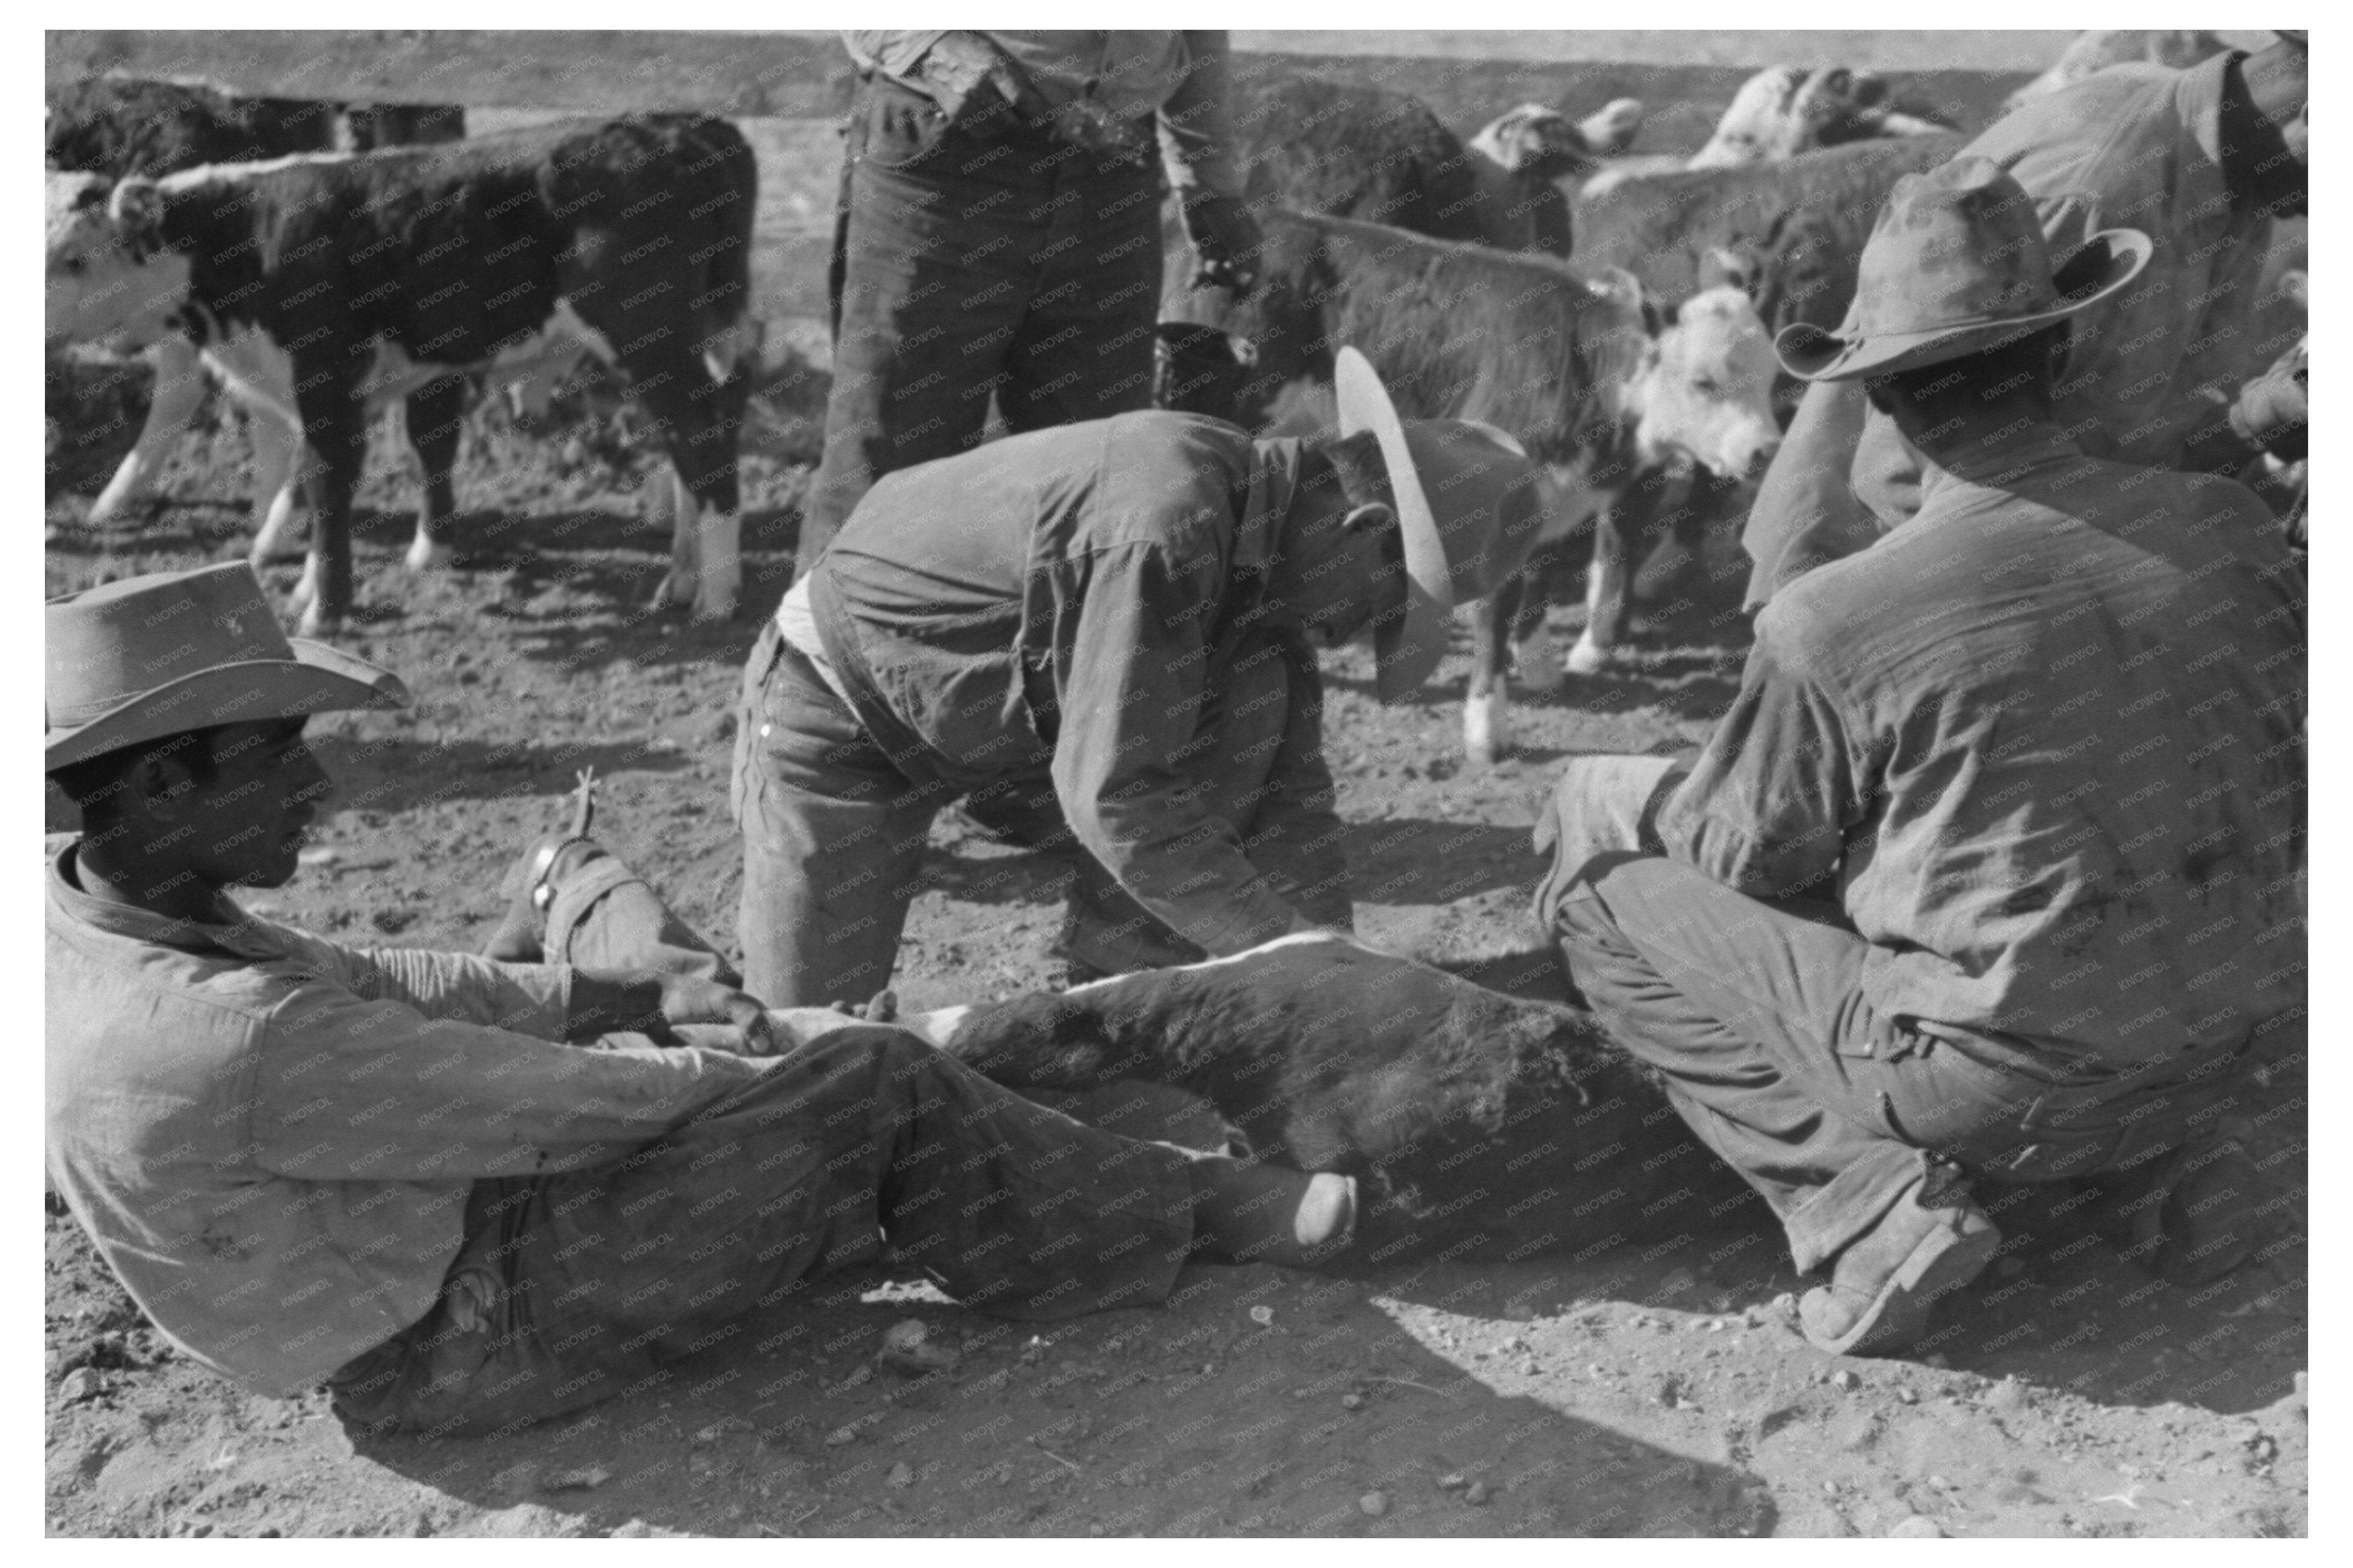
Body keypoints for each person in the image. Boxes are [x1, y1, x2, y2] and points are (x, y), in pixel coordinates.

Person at [44, 563, 1356, 1437]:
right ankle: (1182, 1207)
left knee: (668, 983)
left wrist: (585, 990)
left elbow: (372, 974)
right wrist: (782, 1054)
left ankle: (591, 903)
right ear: (163, 787)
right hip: (462, 1337)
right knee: (868, 1084)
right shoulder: (227, 1039)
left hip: (434, 1242)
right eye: (278, 761)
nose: (316, 792)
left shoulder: (98, 895)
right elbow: (581, 1111)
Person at [1531, 160, 2305, 1357]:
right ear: (2055, 356)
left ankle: (1865, 1207)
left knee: (1603, 897)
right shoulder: (2231, 529)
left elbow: (1746, 852)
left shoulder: (1837, 615)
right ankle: (2184, 1166)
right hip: (2239, 1035)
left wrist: (1655, 783)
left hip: (2008, 1089)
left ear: (1878, 399)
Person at [735, 351, 1543, 1007]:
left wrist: (1345, 981)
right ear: (1363, 533)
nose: (1349, 637)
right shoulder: (1168, 524)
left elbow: (1293, 803)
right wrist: (1290, 946)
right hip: (843, 719)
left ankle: (1115, 1012)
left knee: (1251, 700)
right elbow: (1113, 792)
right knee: (810, 1057)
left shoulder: (1271, 554)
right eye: (1380, 611)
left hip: (1015, 708)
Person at [1740, 31, 2309, 608]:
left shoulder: (2233, 164)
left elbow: (2127, 443)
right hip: (1894, 592)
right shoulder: (2095, 193)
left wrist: (2264, 413)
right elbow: (1907, 469)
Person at [801, 30, 1264, 573]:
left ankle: (1062, 656)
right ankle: (820, 657)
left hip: (1112, 166)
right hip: (950, 150)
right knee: (887, 474)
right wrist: (928, 43)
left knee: (1098, 484)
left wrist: (1207, 179)